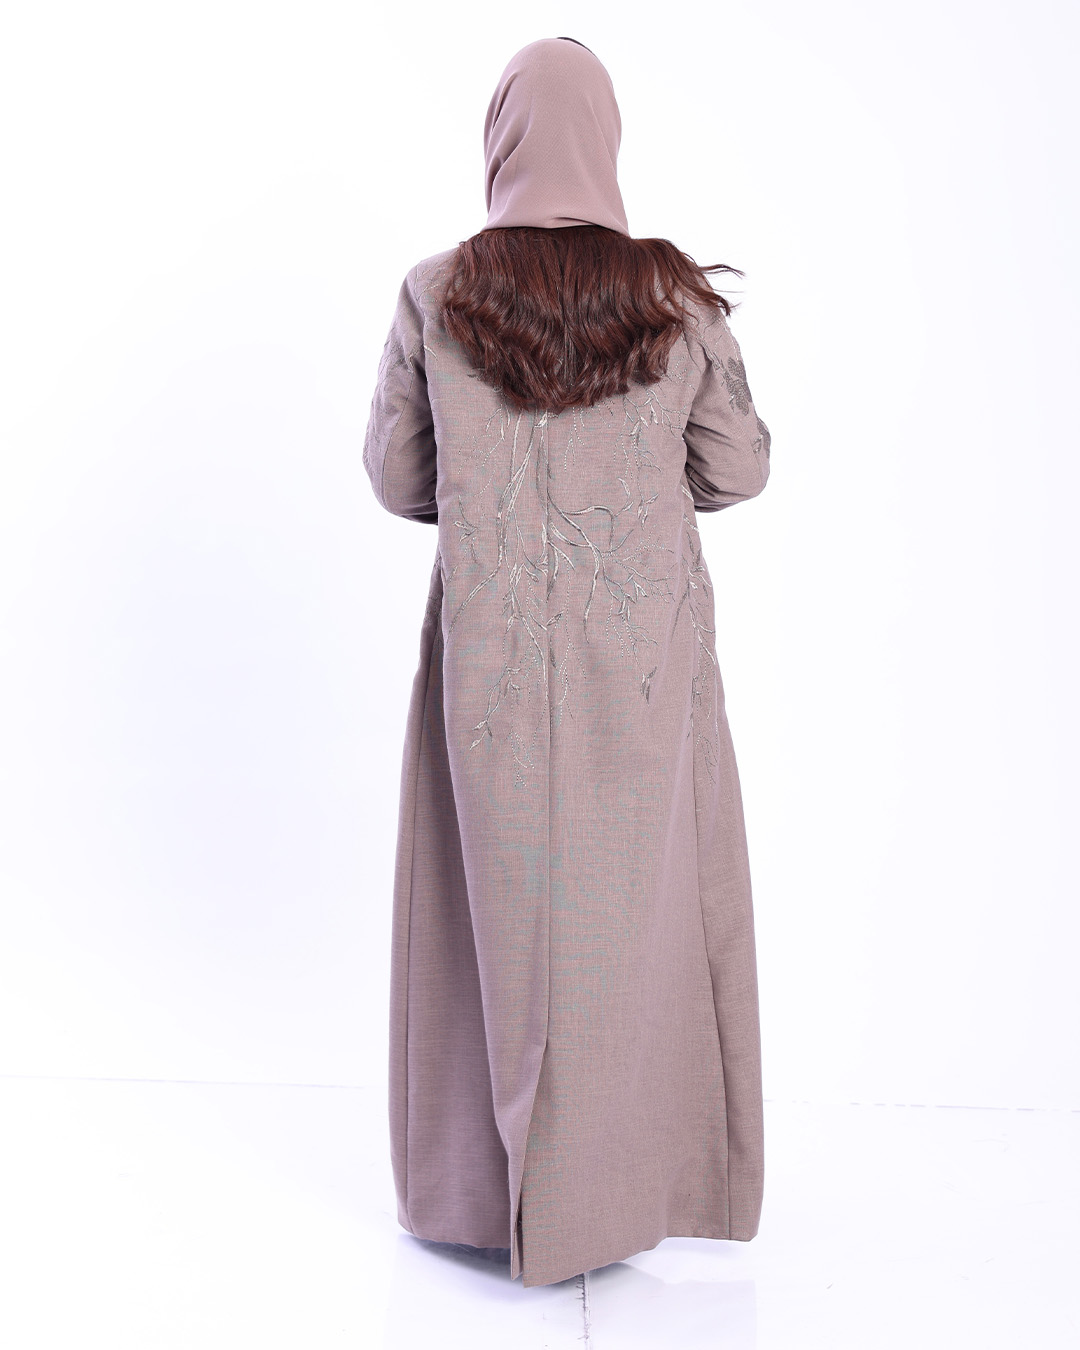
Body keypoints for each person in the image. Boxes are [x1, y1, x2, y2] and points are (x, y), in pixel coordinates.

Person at [362, 36, 772, 1289]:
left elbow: (399, 478)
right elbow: (737, 469)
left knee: (485, 917)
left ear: (501, 141)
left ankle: (484, 1197)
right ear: (607, 140)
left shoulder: (438, 292)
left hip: (492, 660)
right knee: (638, 917)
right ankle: (627, 1190)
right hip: (641, 657)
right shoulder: (678, 302)